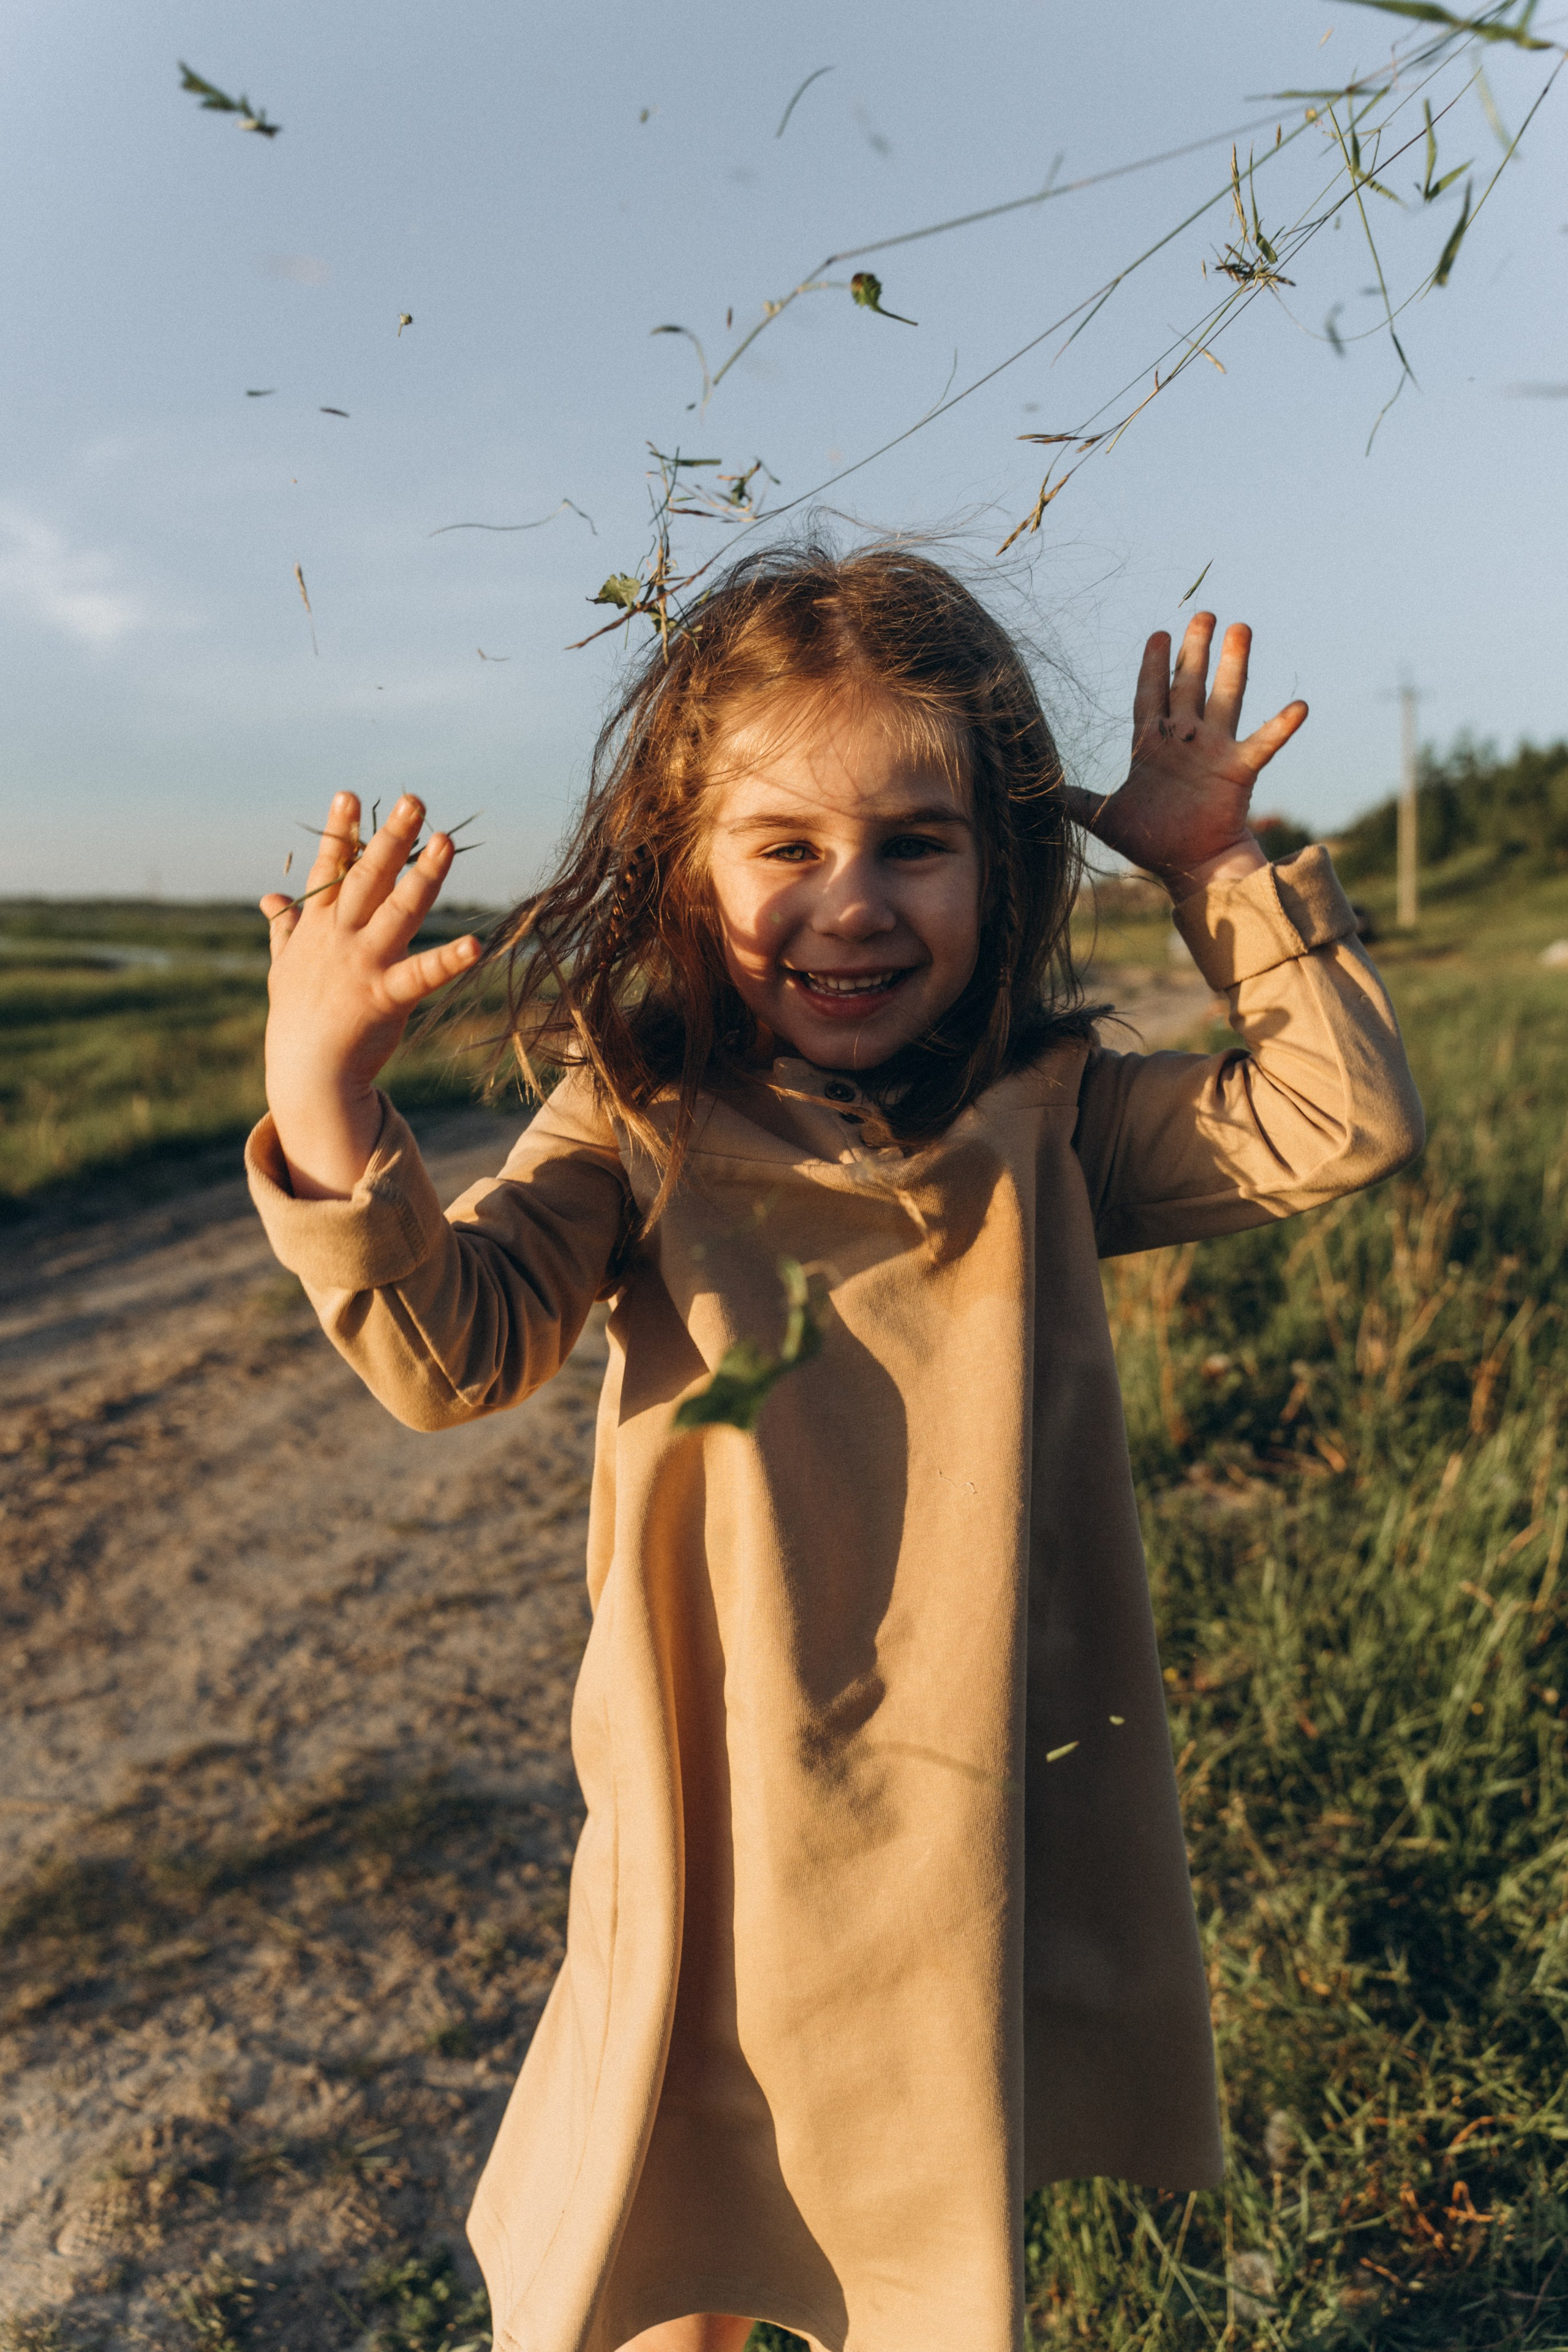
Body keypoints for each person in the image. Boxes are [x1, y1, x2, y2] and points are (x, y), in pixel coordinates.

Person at [249, 545, 1423, 2352]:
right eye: (784, 846)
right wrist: (324, 1102)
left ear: (1005, 861)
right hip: (719, 1819)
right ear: (680, 859)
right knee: (669, 2248)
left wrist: (1217, 872)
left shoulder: (1052, 1121)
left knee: (916, 2257)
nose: (851, 903)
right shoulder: (632, 1114)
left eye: (915, 845)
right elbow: (446, 1354)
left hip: (967, 1823)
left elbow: (1336, 1118)